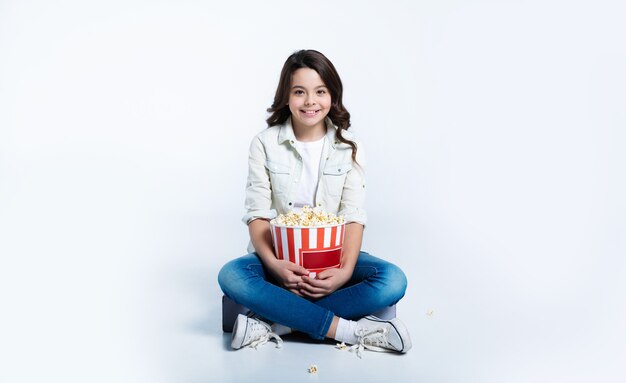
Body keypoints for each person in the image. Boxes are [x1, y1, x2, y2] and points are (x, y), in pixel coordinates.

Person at [217, 49, 411, 356]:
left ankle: (273, 325)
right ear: (286, 96)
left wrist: (345, 272)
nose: (310, 101)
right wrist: (276, 266)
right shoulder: (264, 144)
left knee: (392, 280)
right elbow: (257, 214)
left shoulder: (349, 145)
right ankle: (349, 330)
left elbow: (353, 215)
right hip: (281, 260)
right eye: (299, 92)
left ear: (332, 96)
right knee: (232, 275)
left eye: (320, 91)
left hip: (331, 258)